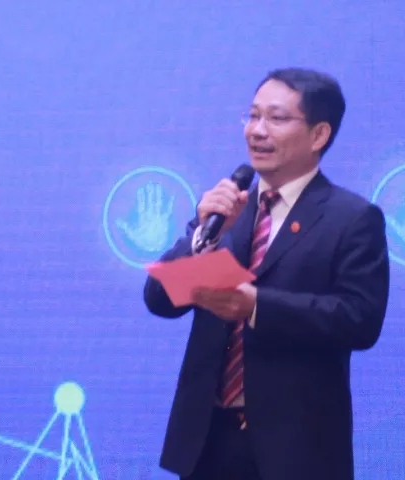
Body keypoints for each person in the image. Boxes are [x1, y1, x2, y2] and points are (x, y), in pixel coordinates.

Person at [143, 67, 390, 480]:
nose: (257, 131)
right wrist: (202, 238)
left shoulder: (351, 219)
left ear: (319, 134)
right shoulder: (227, 210)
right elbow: (159, 299)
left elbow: (359, 319)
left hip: (296, 450)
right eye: (253, 116)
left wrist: (256, 306)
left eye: (276, 118)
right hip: (207, 445)